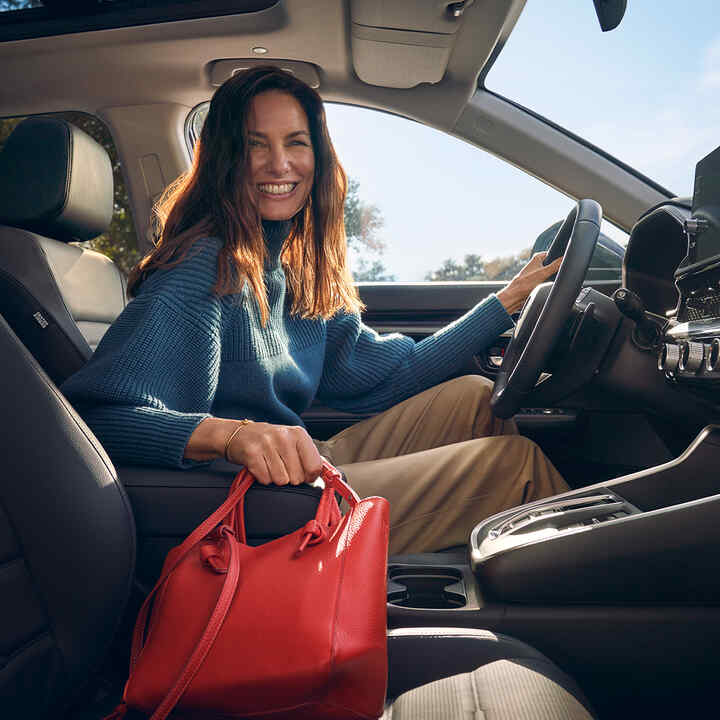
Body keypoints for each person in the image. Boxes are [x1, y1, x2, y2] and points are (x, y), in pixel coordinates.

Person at [61, 66, 568, 554]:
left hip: (300, 466)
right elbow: (94, 421)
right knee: (512, 466)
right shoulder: (203, 268)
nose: (278, 164)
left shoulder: (290, 270)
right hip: (252, 503)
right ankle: (593, 619)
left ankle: (498, 577)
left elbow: (390, 376)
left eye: (295, 142)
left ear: (318, 157)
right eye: (254, 144)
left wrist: (506, 303)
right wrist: (229, 435)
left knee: (476, 399)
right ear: (224, 159)